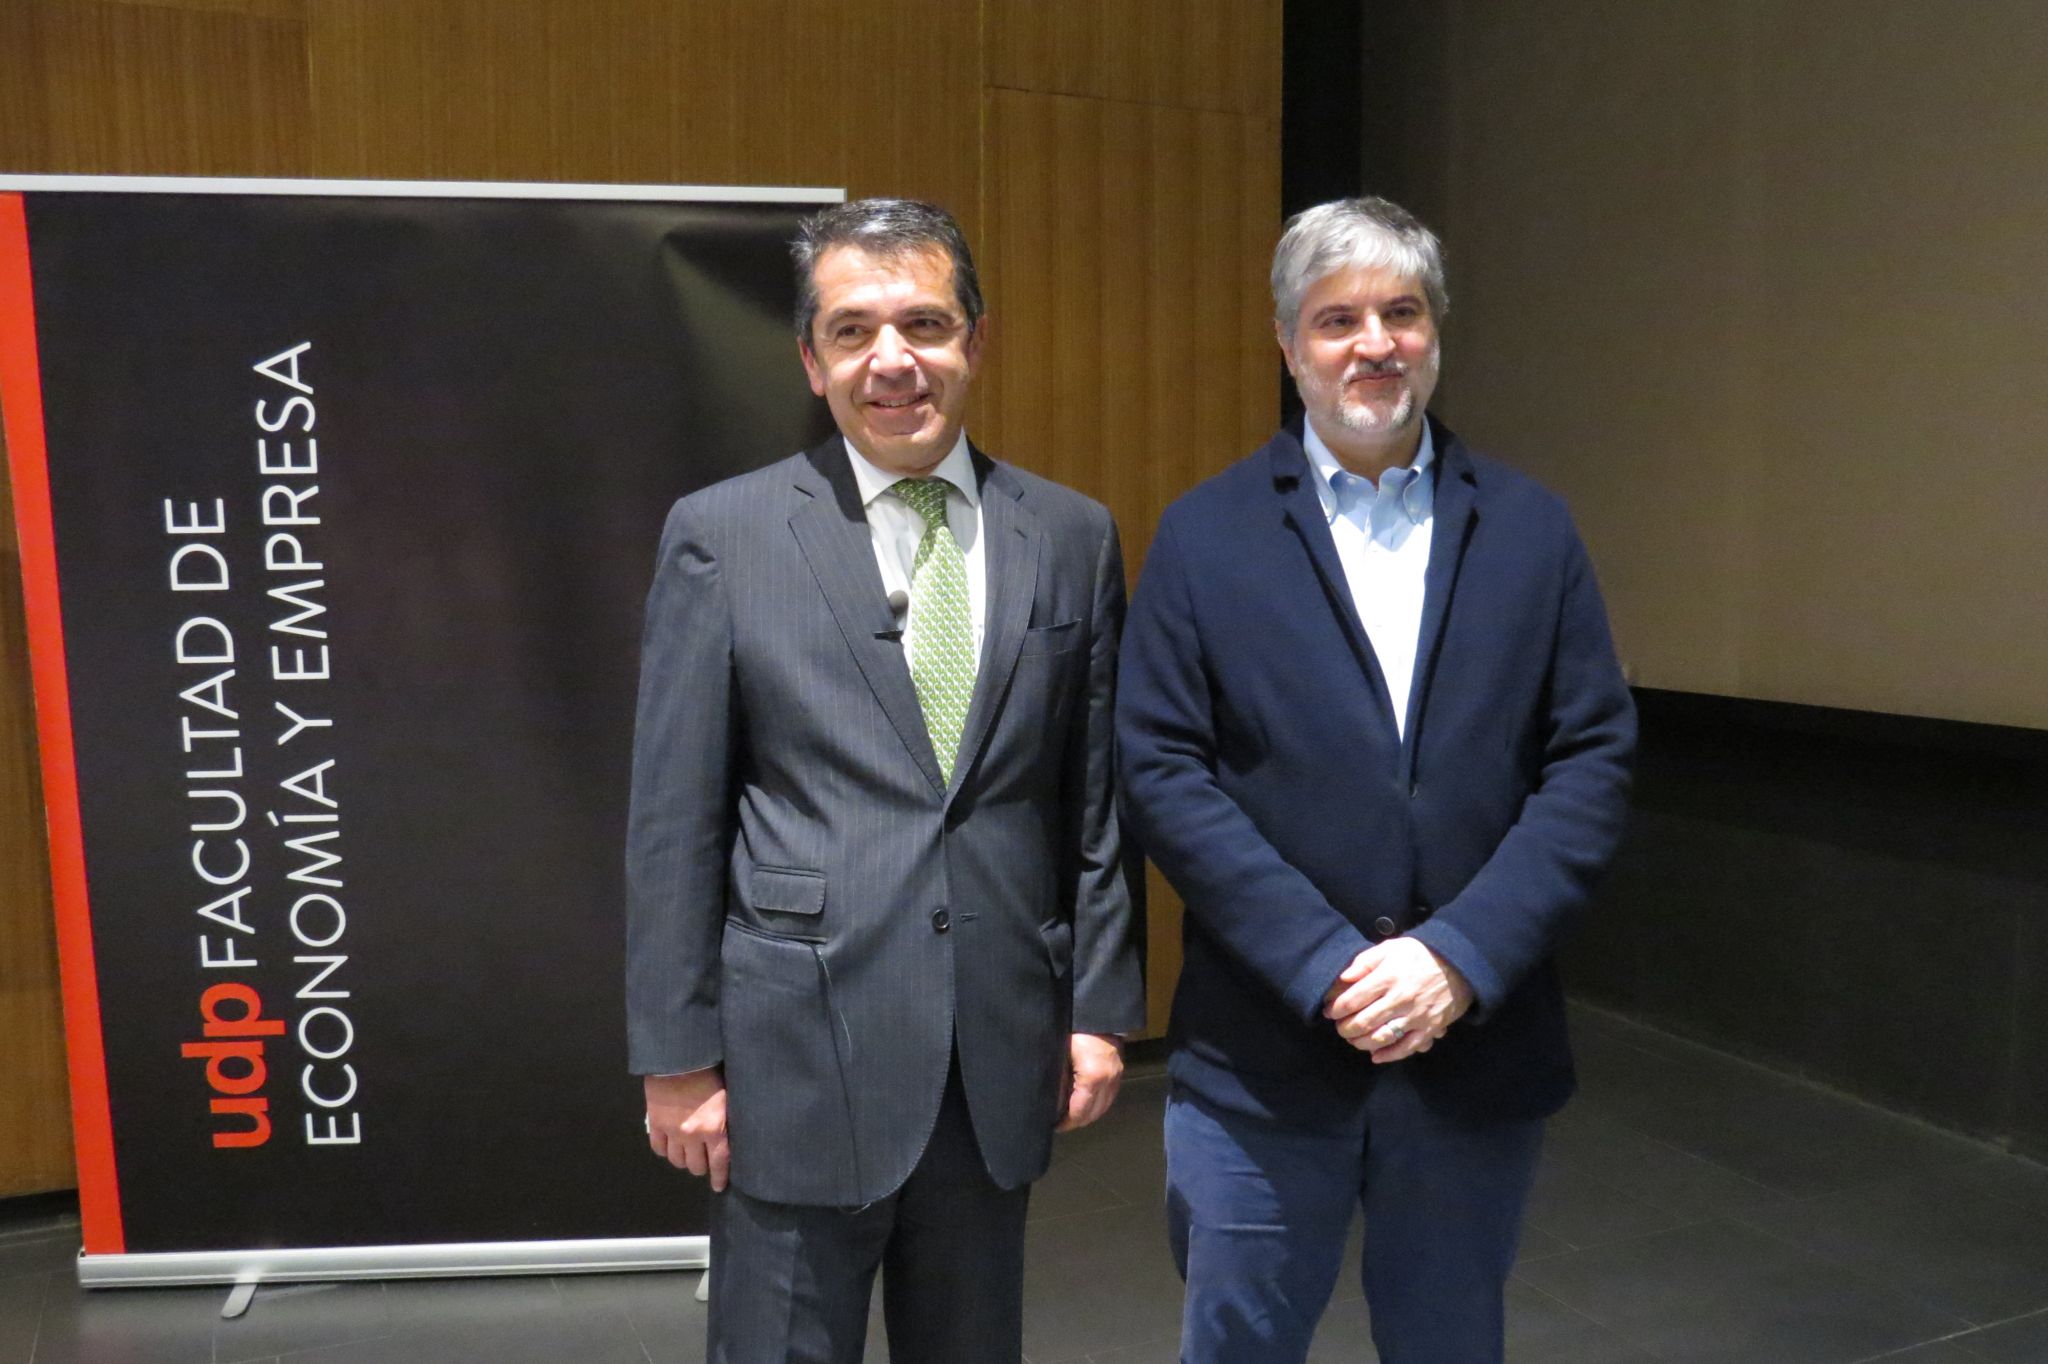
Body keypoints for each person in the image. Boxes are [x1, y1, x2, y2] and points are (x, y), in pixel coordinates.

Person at [1115, 195, 1636, 1364]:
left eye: (1400, 312)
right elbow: (1160, 769)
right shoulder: (1202, 537)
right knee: (1238, 1343)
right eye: (1335, 317)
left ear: (1434, 331)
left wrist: (1457, 955)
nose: (1373, 343)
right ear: (1286, 342)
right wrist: (1322, 960)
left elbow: (1589, 759)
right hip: (1261, 1061)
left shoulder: (1531, 530)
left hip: (1470, 1053)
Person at [624, 197, 1144, 1364]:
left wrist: (1098, 1008)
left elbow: (1093, 795)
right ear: (811, 361)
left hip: (991, 1044)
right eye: (852, 331)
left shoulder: (1069, 534)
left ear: (975, 340)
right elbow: (672, 818)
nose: (892, 359)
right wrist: (676, 1056)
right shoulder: (723, 534)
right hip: (793, 1055)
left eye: (923, 323)